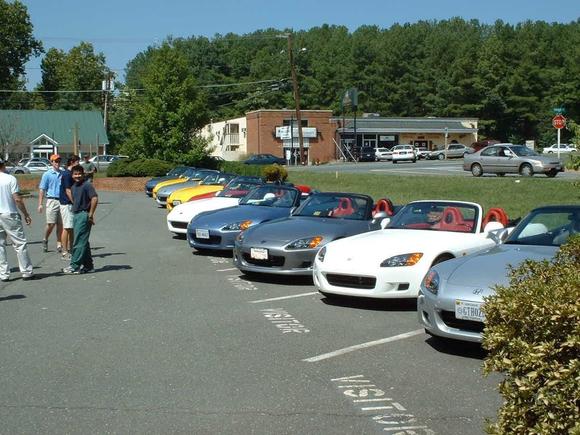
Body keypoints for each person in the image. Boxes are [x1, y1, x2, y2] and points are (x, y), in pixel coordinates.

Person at [0, 158, 34, 281]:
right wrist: (25, 214)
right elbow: (17, 199)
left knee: (0, 245)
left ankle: (3, 274)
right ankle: (26, 271)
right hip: (9, 213)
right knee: (20, 243)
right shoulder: (10, 179)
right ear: (3, 165)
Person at [62, 165, 98, 274]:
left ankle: (75, 266)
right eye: (75, 174)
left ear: (83, 174)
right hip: (76, 214)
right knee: (83, 241)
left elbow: (95, 198)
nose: (77, 176)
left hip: (84, 214)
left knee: (78, 241)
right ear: (72, 175)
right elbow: (75, 200)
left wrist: (90, 214)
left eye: (79, 174)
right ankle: (88, 266)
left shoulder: (87, 185)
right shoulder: (73, 187)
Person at [38, 154, 63, 253]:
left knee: (60, 224)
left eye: (59, 161)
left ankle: (59, 243)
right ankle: (45, 239)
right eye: (55, 161)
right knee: (51, 224)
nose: (57, 163)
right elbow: (42, 189)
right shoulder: (47, 174)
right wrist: (40, 204)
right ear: (51, 162)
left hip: (62, 201)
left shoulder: (63, 173)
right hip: (51, 200)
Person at [59, 155, 80, 260]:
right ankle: (64, 252)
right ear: (72, 162)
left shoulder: (71, 174)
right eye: (77, 162)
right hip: (66, 204)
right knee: (67, 228)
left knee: (71, 228)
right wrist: (75, 202)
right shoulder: (67, 174)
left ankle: (72, 250)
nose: (78, 164)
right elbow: (68, 191)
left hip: (70, 204)